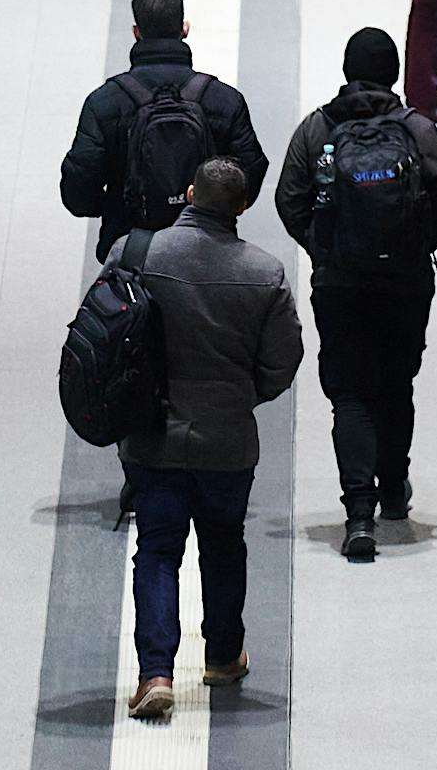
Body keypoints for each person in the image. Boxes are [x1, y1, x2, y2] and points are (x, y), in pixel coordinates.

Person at [121, 157, 302, 719]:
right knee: (223, 545)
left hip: (153, 435)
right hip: (228, 441)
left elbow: (105, 334)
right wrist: (241, 396)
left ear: (191, 193)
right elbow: (283, 360)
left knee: (156, 549)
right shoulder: (266, 273)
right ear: (242, 207)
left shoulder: (137, 254)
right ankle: (223, 657)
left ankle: (155, 673)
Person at [273, 29, 437, 560]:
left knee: (350, 393)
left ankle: (359, 515)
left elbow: (290, 201)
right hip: (405, 284)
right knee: (396, 383)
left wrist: (324, 248)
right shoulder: (418, 129)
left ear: (346, 69)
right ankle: (394, 489)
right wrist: (415, 245)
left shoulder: (317, 130)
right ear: (394, 71)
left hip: (340, 286)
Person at [61, 0, 268, 256]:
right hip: (206, 250)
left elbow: (78, 195)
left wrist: (117, 202)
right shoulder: (224, 100)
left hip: (131, 253)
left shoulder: (104, 103)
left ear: (136, 32)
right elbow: (248, 179)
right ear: (184, 29)